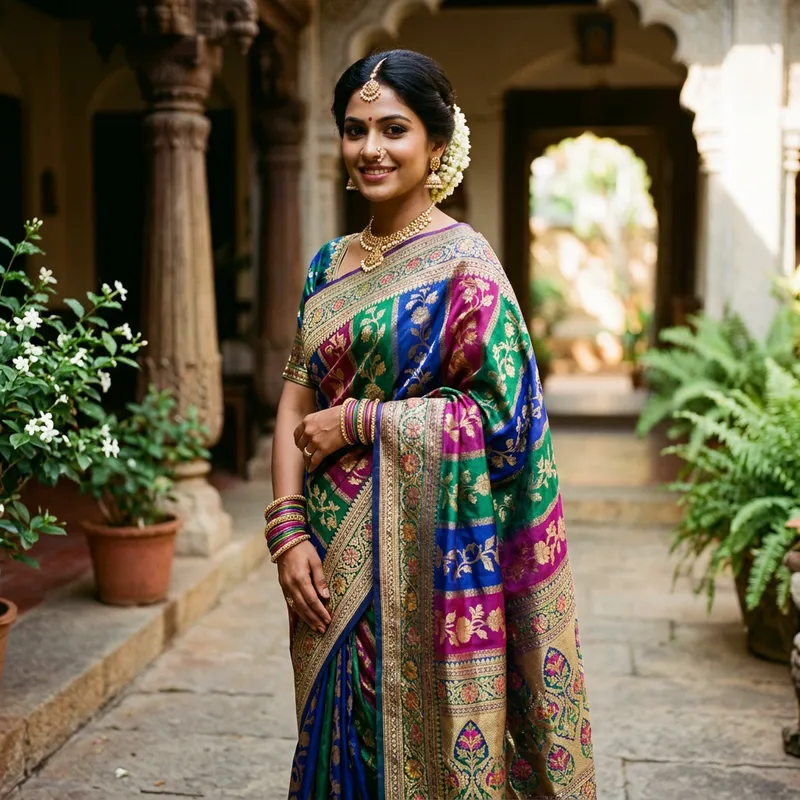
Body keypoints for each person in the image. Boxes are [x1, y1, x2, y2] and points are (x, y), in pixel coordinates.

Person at [267, 49, 596, 800]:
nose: (371, 149)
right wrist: (285, 531)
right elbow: (293, 395)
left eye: (394, 128)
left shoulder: (466, 266)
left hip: (430, 553)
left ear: (437, 145)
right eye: (355, 130)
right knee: (329, 734)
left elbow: (504, 422)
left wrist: (361, 421)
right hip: (322, 551)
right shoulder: (326, 265)